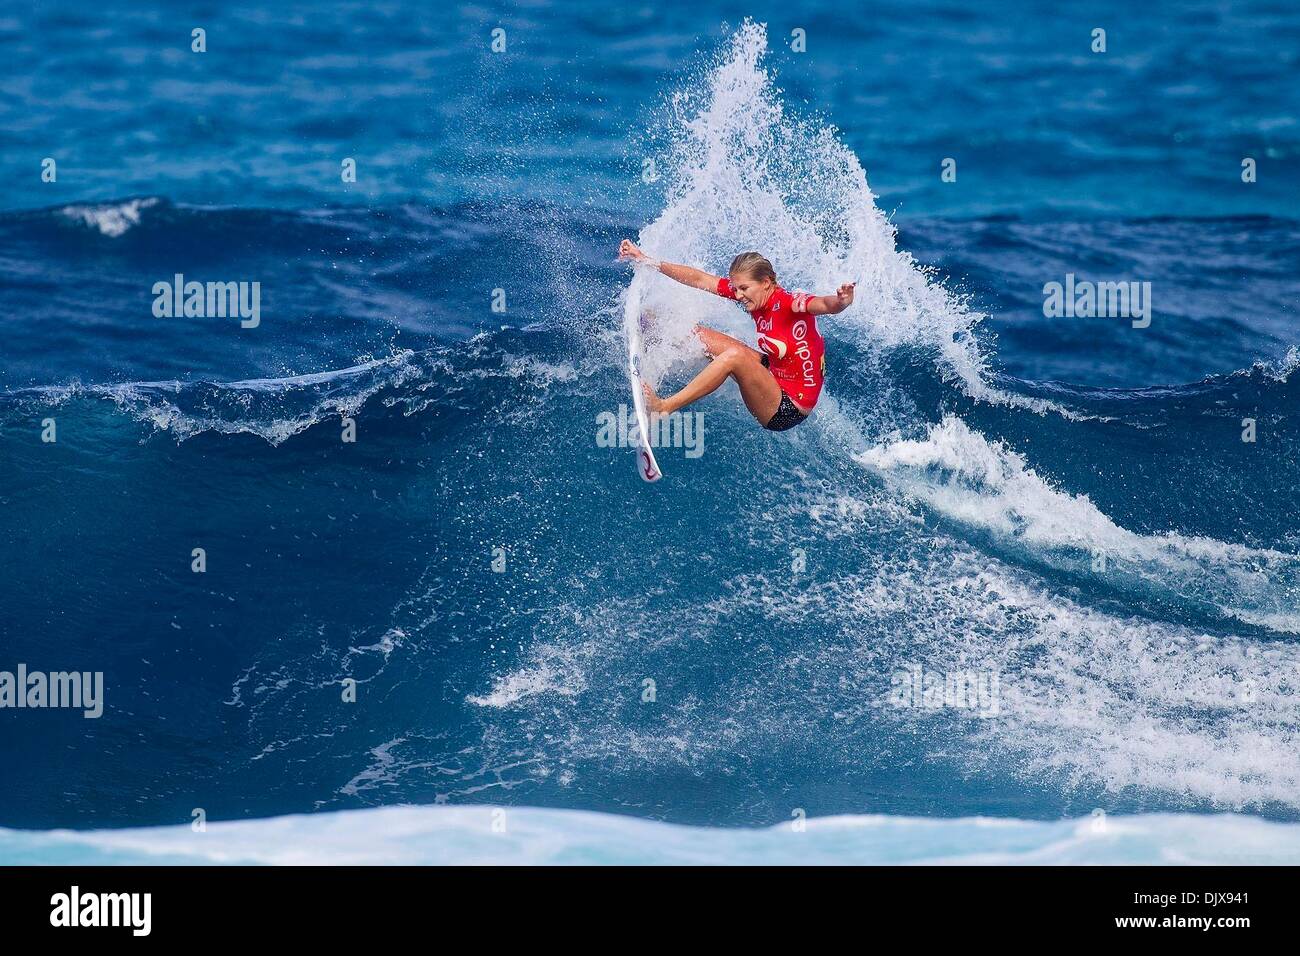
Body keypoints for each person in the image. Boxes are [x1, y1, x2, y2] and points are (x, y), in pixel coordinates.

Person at [618, 240, 854, 431]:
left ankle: (665, 407)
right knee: (696, 334)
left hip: (787, 408)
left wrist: (841, 302)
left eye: (744, 289)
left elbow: (825, 304)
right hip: (773, 372)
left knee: (734, 357)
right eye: (736, 288)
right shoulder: (755, 297)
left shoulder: (790, 303)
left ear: (766, 283)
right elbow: (701, 279)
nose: (738, 295)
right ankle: (650, 337)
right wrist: (649, 261)